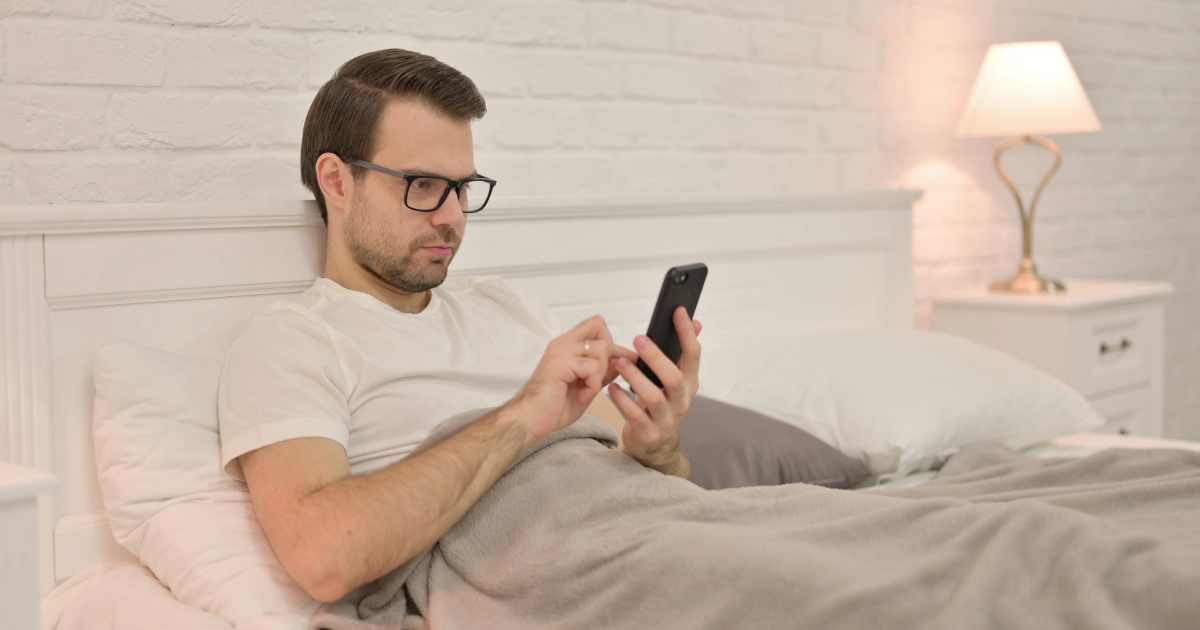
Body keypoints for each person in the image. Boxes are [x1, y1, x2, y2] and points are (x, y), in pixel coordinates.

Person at [216, 49, 703, 604]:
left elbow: (667, 490)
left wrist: (659, 445)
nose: (452, 216)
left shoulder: (507, 306)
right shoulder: (292, 342)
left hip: (662, 535)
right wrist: (521, 415)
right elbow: (323, 556)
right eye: (422, 185)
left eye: (462, 187)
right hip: (564, 574)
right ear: (337, 182)